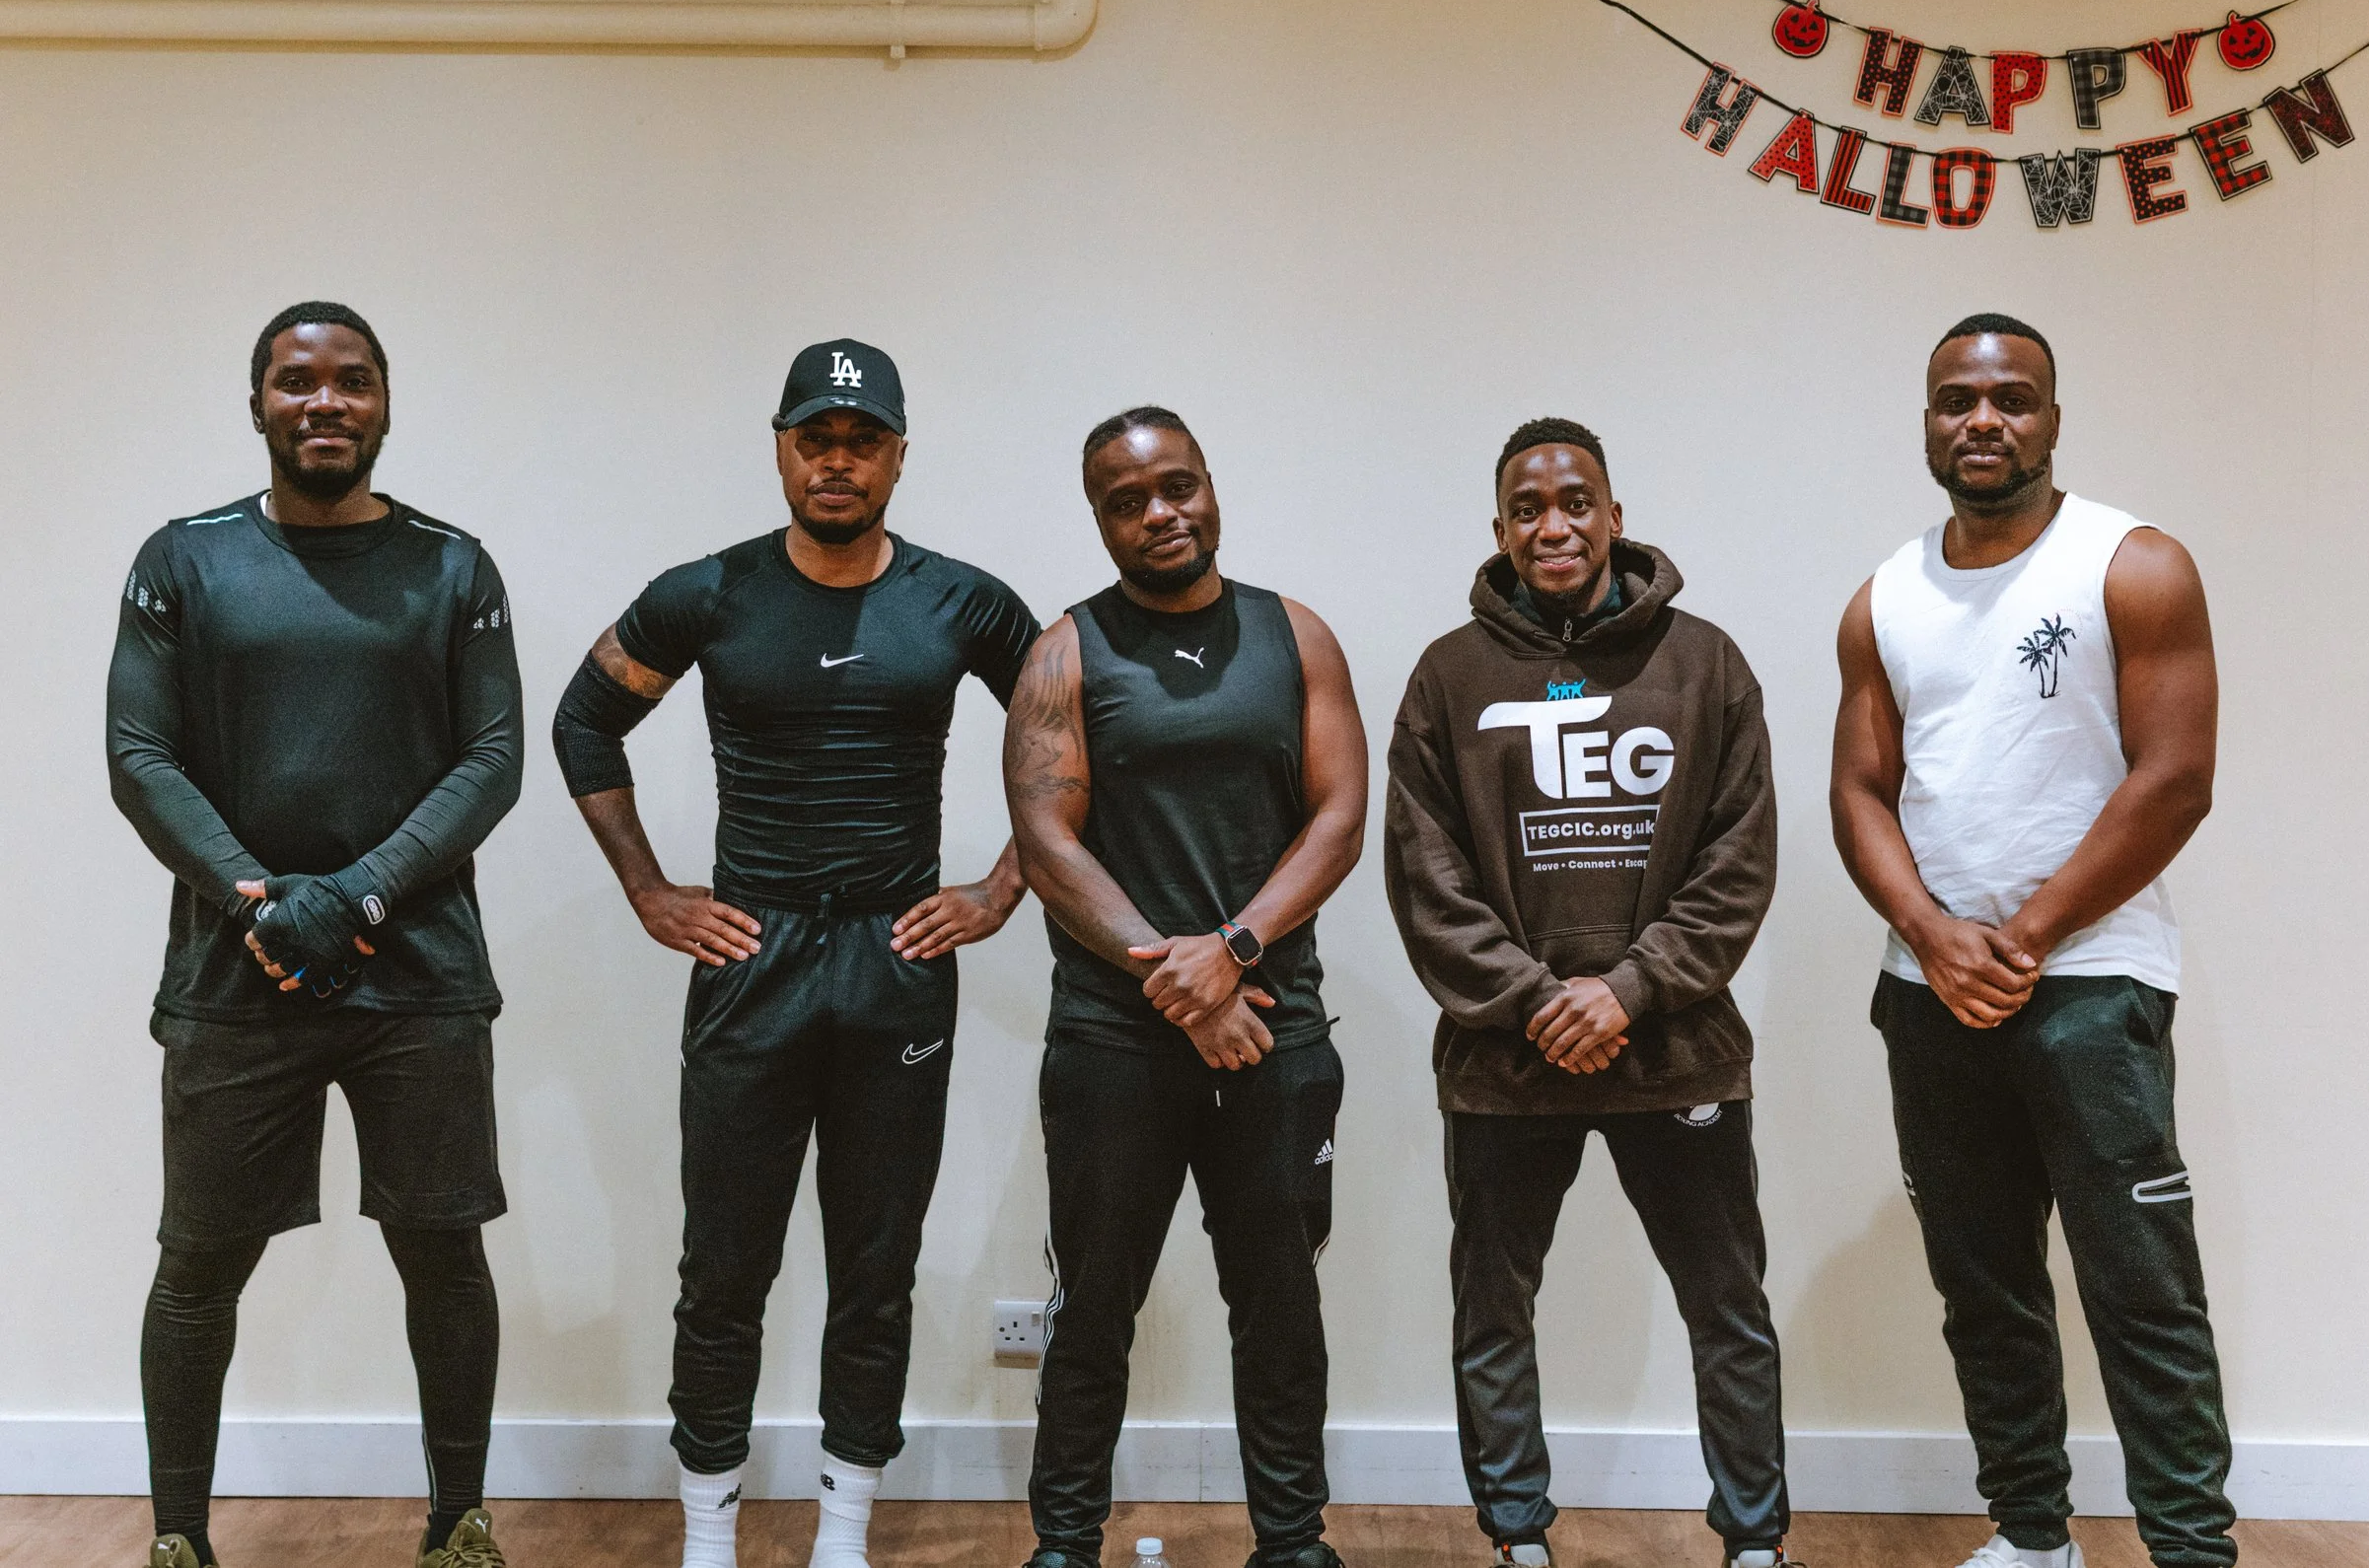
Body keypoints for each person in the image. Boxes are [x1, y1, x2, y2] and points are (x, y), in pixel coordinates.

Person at [550, 339, 1039, 1568]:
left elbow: (1073, 733)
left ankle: (841, 1532)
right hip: (753, 954)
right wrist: (652, 889)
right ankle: (708, 1532)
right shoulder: (706, 592)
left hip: (895, 957)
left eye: (860, 438)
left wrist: (999, 887)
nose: (836, 459)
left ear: (897, 455)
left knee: (876, 1263)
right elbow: (582, 720)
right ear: (779, 445)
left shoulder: (961, 599)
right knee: (724, 1261)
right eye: (814, 436)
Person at [107, 303, 523, 1568]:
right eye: (297, 382)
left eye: (351, 381)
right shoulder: (183, 560)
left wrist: (357, 895)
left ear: (386, 404)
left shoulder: (455, 567)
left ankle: (457, 1522)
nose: (324, 402)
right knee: (199, 1263)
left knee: (442, 1252)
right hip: (236, 978)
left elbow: (493, 757)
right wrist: (257, 897)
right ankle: (179, 1536)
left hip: (422, 975)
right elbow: (140, 755)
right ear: (257, 406)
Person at [1830, 315, 2233, 1568]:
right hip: (1928, 994)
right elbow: (1859, 791)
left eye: (2011, 399)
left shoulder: (2134, 562)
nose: (1983, 421)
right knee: (1984, 1286)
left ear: (2053, 417)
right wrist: (1931, 934)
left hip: (2094, 986)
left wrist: (2024, 933)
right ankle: (2031, 1535)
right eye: (1957, 400)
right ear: (1928, 420)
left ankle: (2190, 1549)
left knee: (2141, 1287)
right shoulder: (1883, 596)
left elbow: (2174, 778)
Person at [1385, 418, 1795, 1568]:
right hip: (1503, 1063)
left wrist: (1627, 988)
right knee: (1493, 1313)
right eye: (1527, 507)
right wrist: (1534, 1000)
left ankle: (1755, 1542)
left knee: (1727, 1311)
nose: (1552, 524)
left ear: (1615, 514)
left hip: (1678, 1054)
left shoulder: (1705, 663)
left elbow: (1738, 861)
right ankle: (1516, 1539)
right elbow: (1426, 879)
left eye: (1575, 501)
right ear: (1501, 528)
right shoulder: (1447, 677)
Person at [1003, 406, 1368, 1568]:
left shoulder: (1292, 633)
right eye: (1127, 499)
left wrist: (1237, 952)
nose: (1159, 512)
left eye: (1176, 486)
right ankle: (1063, 1543)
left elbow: (1341, 815)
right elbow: (1046, 838)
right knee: (1093, 1306)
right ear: (1100, 517)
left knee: (1277, 1302)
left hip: (1274, 1027)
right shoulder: (1065, 649)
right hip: (1115, 1037)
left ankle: (1292, 1539)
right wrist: (1179, 976)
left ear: (1209, 486)